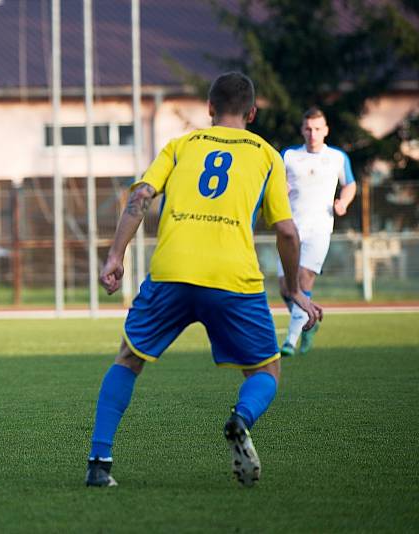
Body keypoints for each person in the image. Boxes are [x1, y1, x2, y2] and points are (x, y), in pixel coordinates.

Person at [85, 72, 323, 488]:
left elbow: (140, 196)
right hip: (234, 278)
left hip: (172, 271)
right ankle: (239, 419)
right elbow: (287, 231)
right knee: (266, 370)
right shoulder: (268, 154)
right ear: (252, 112)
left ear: (210, 109)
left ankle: (99, 462)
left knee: (128, 358)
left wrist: (114, 255)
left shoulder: (181, 145)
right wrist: (294, 288)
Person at [278, 108, 356, 356]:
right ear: (302, 130)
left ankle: (290, 340)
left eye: (318, 129)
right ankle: (307, 320)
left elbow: (350, 184)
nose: (313, 134)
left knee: (303, 278)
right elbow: (276, 184)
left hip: (320, 228)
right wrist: (281, 189)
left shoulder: (337, 157)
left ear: (326, 130)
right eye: (308, 129)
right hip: (290, 227)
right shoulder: (289, 156)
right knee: (284, 287)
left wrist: (343, 202)